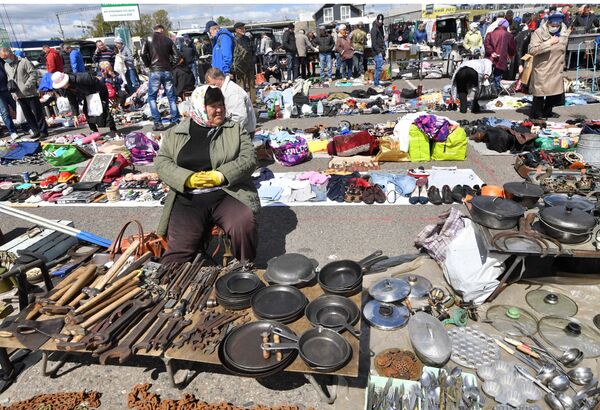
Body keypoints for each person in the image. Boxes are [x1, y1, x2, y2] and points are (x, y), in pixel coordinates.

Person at [155, 85, 259, 264]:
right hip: (188, 197)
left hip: (226, 193)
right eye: (213, 106)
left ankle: (245, 267)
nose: (219, 110)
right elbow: (162, 162)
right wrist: (187, 179)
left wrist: (221, 175)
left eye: (221, 105)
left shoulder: (234, 129)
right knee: (178, 252)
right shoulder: (176, 133)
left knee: (243, 222)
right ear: (199, 107)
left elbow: (249, 158)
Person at [528, 13, 570, 119]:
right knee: (539, 93)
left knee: (554, 93)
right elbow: (532, 50)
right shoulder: (539, 32)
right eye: (553, 24)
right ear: (548, 23)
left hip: (556, 67)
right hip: (543, 67)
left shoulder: (564, 32)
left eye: (557, 25)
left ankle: (547, 111)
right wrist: (549, 43)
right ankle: (536, 114)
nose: (555, 27)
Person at [141, 23, 180, 131]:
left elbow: (143, 53)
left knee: (152, 97)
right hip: (167, 70)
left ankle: (158, 122)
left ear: (154, 30)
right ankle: (176, 120)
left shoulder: (148, 38)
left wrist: (148, 64)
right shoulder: (168, 40)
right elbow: (177, 55)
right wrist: (171, 66)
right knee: (171, 97)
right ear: (161, 29)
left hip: (155, 71)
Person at [51, 71, 117, 133]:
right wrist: (75, 115)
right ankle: (94, 130)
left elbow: (96, 81)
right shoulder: (66, 89)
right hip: (88, 95)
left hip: (99, 90)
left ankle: (112, 129)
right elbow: (72, 101)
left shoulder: (79, 78)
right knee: (87, 110)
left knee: (103, 109)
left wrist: (97, 94)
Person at [205, 68, 256, 136]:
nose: (212, 88)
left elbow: (239, 117)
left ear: (220, 79)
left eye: (213, 84)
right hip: (237, 129)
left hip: (244, 132)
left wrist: (226, 133)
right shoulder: (225, 90)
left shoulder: (232, 92)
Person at [484, 18, 516, 89]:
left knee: (488, 76)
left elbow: (486, 44)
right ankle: (496, 91)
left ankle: (489, 91)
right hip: (501, 59)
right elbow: (512, 48)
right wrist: (510, 55)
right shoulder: (509, 36)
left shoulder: (490, 34)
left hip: (489, 58)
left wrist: (491, 52)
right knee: (497, 77)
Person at [232, 22, 256, 103]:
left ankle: (253, 102)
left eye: (244, 28)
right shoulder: (233, 40)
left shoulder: (247, 38)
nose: (243, 30)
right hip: (240, 67)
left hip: (249, 65)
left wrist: (253, 60)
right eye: (241, 28)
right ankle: (242, 103)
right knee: (241, 86)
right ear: (236, 30)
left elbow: (252, 50)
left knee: (252, 84)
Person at [509, 13, 533, 82]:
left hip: (521, 50)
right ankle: (512, 82)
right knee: (514, 67)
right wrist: (520, 65)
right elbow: (519, 50)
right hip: (516, 49)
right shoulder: (525, 36)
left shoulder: (530, 34)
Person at [0, 52, 18, 140]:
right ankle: (12, 131)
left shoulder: (2, 60)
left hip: (9, 88)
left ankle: (26, 126)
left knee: (17, 108)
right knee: (4, 112)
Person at [370, 14, 386, 89]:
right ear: (376, 20)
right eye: (379, 21)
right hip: (377, 51)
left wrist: (383, 49)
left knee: (378, 68)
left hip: (381, 49)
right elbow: (374, 43)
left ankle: (377, 82)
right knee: (378, 68)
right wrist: (379, 51)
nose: (380, 23)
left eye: (381, 21)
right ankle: (376, 83)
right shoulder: (374, 29)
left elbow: (381, 39)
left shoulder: (380, 28)